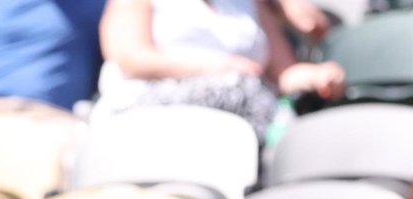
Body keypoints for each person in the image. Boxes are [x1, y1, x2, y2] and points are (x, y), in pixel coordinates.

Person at [94, 0, 346, 141]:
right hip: (153, 117)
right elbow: (128, 56)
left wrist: (316, 76)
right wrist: (217, 66)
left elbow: (282, 73)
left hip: (244, 122)